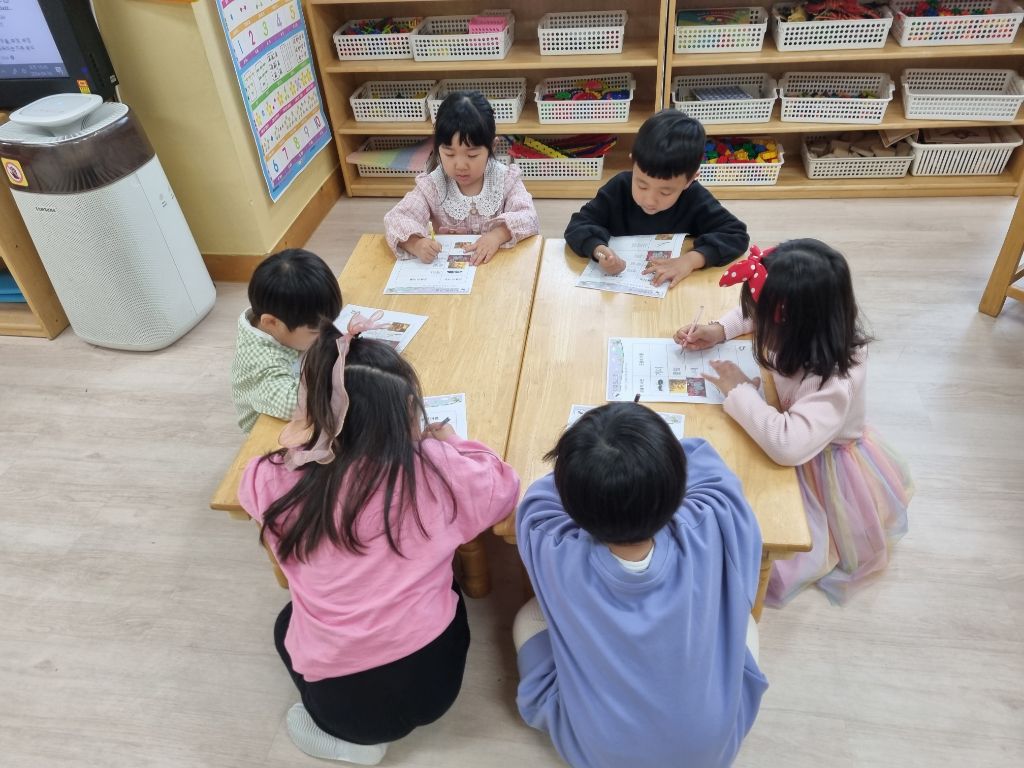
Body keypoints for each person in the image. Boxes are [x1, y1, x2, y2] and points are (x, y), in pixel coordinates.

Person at [239, 315, 520, 764]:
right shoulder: (437, 467)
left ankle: (353, 745)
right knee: (444, 578)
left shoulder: (271, 477)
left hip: (343, 707)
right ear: (408, 411)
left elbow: (251, 490)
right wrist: (454, 443)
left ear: (310, 411)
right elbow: (504, 486)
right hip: (438, 685)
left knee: (285, 624)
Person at [514, 403, 767, 768]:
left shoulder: (551, 541)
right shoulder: (712, 519)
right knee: (744, 623)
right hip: (710, 749)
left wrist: (596, 467)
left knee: (526, 618)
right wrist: (644, 451)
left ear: (573, 503)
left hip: (601, 753)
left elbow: (540, 495)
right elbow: (702, 457)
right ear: (676, 487)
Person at [677, 239, 913, 606]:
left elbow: (787, 446)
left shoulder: (834, 380)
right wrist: (719, 329)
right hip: (791, 425)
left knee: (762, 533)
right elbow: (752, 314)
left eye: (765, 321)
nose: (757, 325)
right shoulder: (804, 326)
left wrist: (739, 390)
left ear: (796, 324)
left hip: (818, 462)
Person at [564, 110, 749, 288]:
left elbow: (735, 235)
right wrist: (598, 250)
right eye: (642, 185)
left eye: (665, 192)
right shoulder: (619, 188)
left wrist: (691, 260)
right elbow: (578, 226)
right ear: (633, 163)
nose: (649, 200)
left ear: (690, 180)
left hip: (673, 291)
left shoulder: (695, 197)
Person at [383, 91, 539, 265]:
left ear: (492, 146)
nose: (460, 165)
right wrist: (416, 244)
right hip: (449, 273)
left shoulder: (505, 179)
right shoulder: (432, 185)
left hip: (496, 266)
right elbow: (396, 219)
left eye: (472, 155)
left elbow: (529, 217)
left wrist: (498, 235)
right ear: (437, 148)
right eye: (449, 154)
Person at [231, 248, 343, 432]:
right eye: (315, 332)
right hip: (269, 425)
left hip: (297, 381)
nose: (326, 335)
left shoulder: (280, 318)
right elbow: (295, 405)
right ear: (271, 322)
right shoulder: (261, 362)